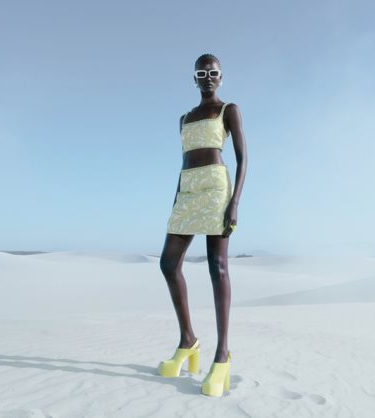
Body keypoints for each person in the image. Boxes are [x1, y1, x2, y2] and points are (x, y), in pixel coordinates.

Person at [158, 53, 247, 397]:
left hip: (215, 189)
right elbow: (183, 161)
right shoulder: (184, 118)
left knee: (217, 267)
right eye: (201, 73)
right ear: (193, 79)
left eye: (213, 73)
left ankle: (222, 354)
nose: (207, 78)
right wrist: (176, 202)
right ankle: (188, 340)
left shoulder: (229, 110)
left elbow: (243, 158)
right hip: (187, 190)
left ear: (221, 77)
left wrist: (234, 202)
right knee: (168, 264)